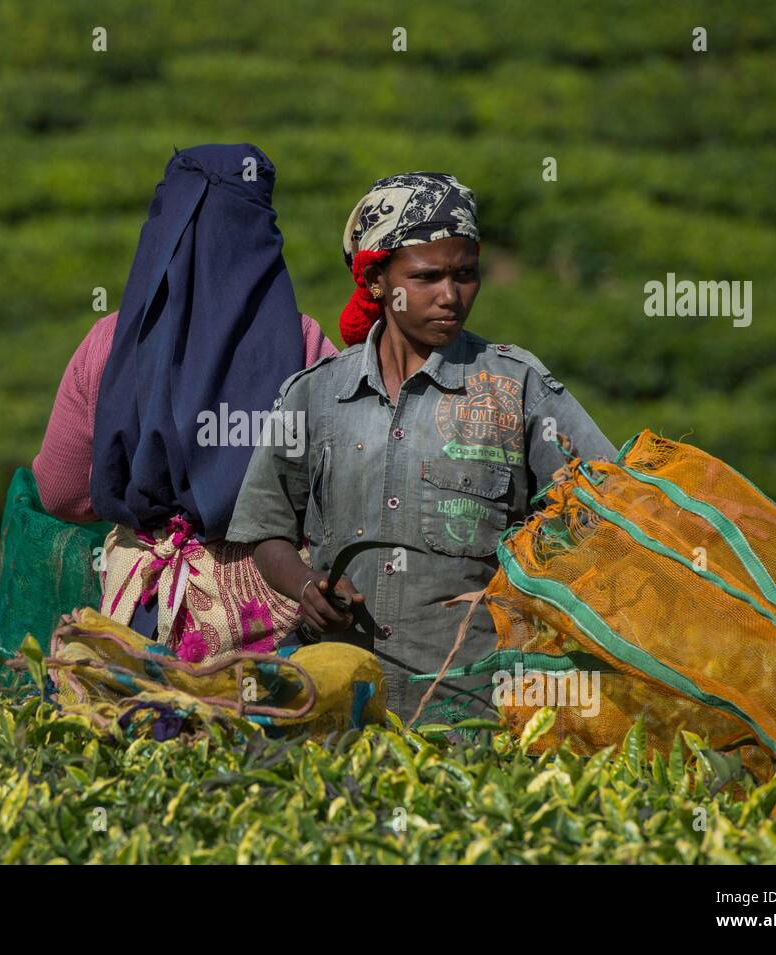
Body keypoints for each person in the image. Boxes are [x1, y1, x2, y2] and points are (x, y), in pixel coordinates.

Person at [225, 171, 618, 725]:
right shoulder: (314, 395)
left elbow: (609, 508)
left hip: (473, 704)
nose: (451, 296)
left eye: (465, 275)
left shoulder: (515, 388)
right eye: (428, 277)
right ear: (378, 281)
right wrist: (306, 585)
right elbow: (265, 528)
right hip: (340, 697)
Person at [31, 144, 336, 663]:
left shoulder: (108, 342)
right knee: (263, 736)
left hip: (140, 616)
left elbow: (58, 492)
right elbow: (337, 487)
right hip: (273, 616)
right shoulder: (304, 343)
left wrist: (150, 512)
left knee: (145, 736)